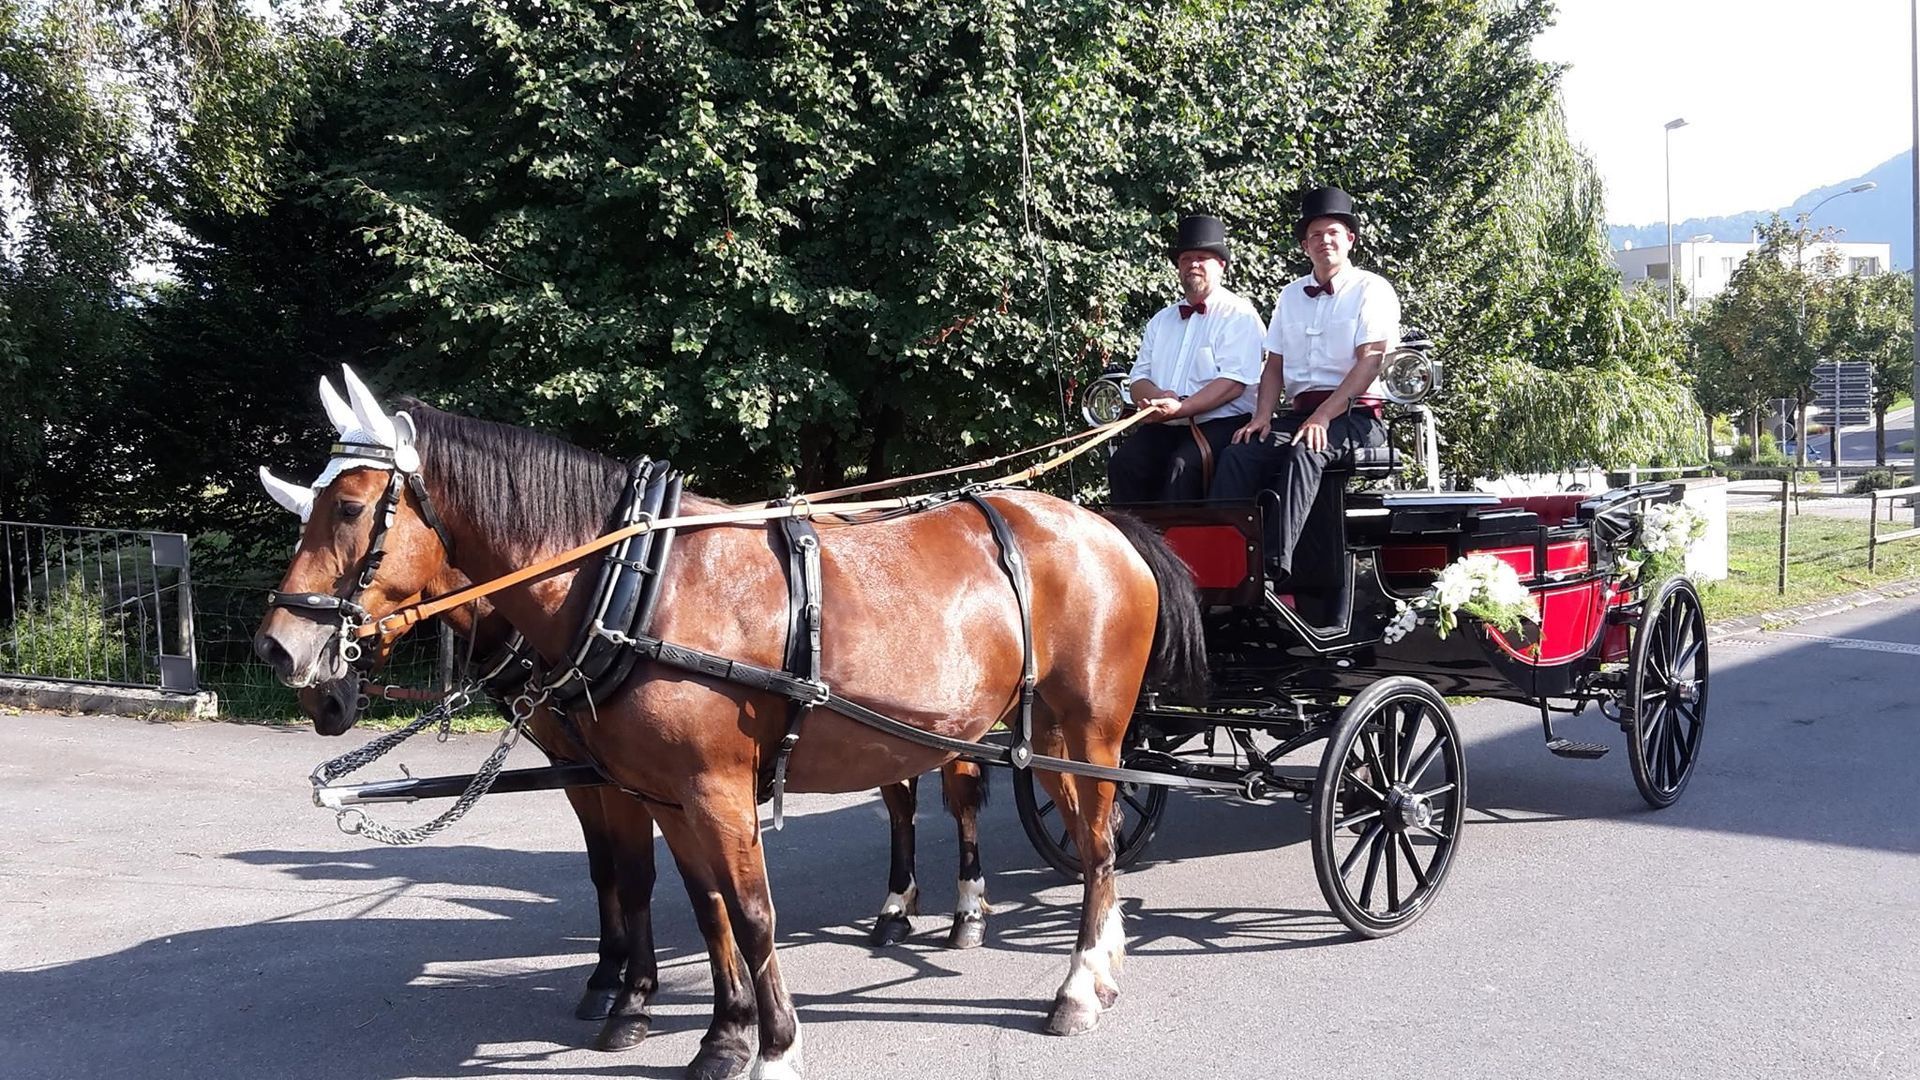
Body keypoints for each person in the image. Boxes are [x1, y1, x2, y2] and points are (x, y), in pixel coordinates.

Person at [1211, 186, 1400, 582]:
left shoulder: (1372, 289)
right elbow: (1274, 363)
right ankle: (1223, 557)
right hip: (1299, 416)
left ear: (1349, 239)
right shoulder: (1289, 296)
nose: (1324, 241)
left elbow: (1371, 362)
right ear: (1304, 245)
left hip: (1356, 415)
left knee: (1306, 452)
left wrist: (1323, 416)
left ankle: (1274, 568)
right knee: (1238, 452)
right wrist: (1262, 416)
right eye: (1315, 235)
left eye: (1332, 233)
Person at [1105, 214, 1267, 503]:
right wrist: (1156, 396)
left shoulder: (1238, 314)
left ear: (1221, 267)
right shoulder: (1161, 320)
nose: (1193, 264)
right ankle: (1132, 546)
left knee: (1182, 467)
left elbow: (1233, 383)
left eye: (1202, 257)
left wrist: (1181, 407)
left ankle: (1181, 548)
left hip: (1222, 424)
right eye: (1186, 258)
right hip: (1166, 424)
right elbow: (1138, 380)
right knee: (1124, 464)